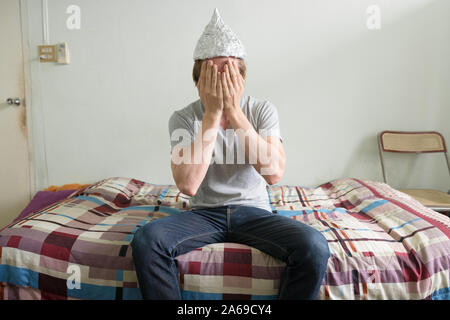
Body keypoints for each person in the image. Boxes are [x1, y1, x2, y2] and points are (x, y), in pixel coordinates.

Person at [131, 8, 330, 300]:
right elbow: (187, 184)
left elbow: (274, 173)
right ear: (198, 81)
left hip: (255, 213)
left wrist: (234, 113)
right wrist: (212, 115)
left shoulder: (262, 110)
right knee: (147, 241)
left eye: (227, 69)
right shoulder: (183, 118)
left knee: (314, 246)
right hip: (203, 215)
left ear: (242, 78)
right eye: (211, 71)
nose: (220, 77)